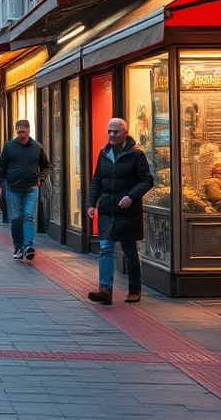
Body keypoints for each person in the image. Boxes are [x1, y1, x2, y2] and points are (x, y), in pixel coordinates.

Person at [86, 118, 155, 305]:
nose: (112, 135)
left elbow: (147, 180)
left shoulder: (136, 155)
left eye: (116, 132)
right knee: (106, 248)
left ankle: (134, 288)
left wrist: (131, 196)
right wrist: (92, 203)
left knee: (129, 249)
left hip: (128, 211)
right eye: (109, 131)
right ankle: (105, 290)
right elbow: (97, 181)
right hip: (108, 209)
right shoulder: (104, 153)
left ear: (125, 132)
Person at [0, 119, 51, 262]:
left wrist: (41, 179)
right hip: (13, 188)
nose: (22, 135)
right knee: (16, 218)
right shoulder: (9, 147)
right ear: (16, 130)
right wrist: (0, 184)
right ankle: (18, 247)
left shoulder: (36, 147)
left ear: (29, 131)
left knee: (28, 216)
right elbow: (0, 167)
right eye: (19, 131)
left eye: (24, 132)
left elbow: (46, 165)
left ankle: (28, 247)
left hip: (31, 188)